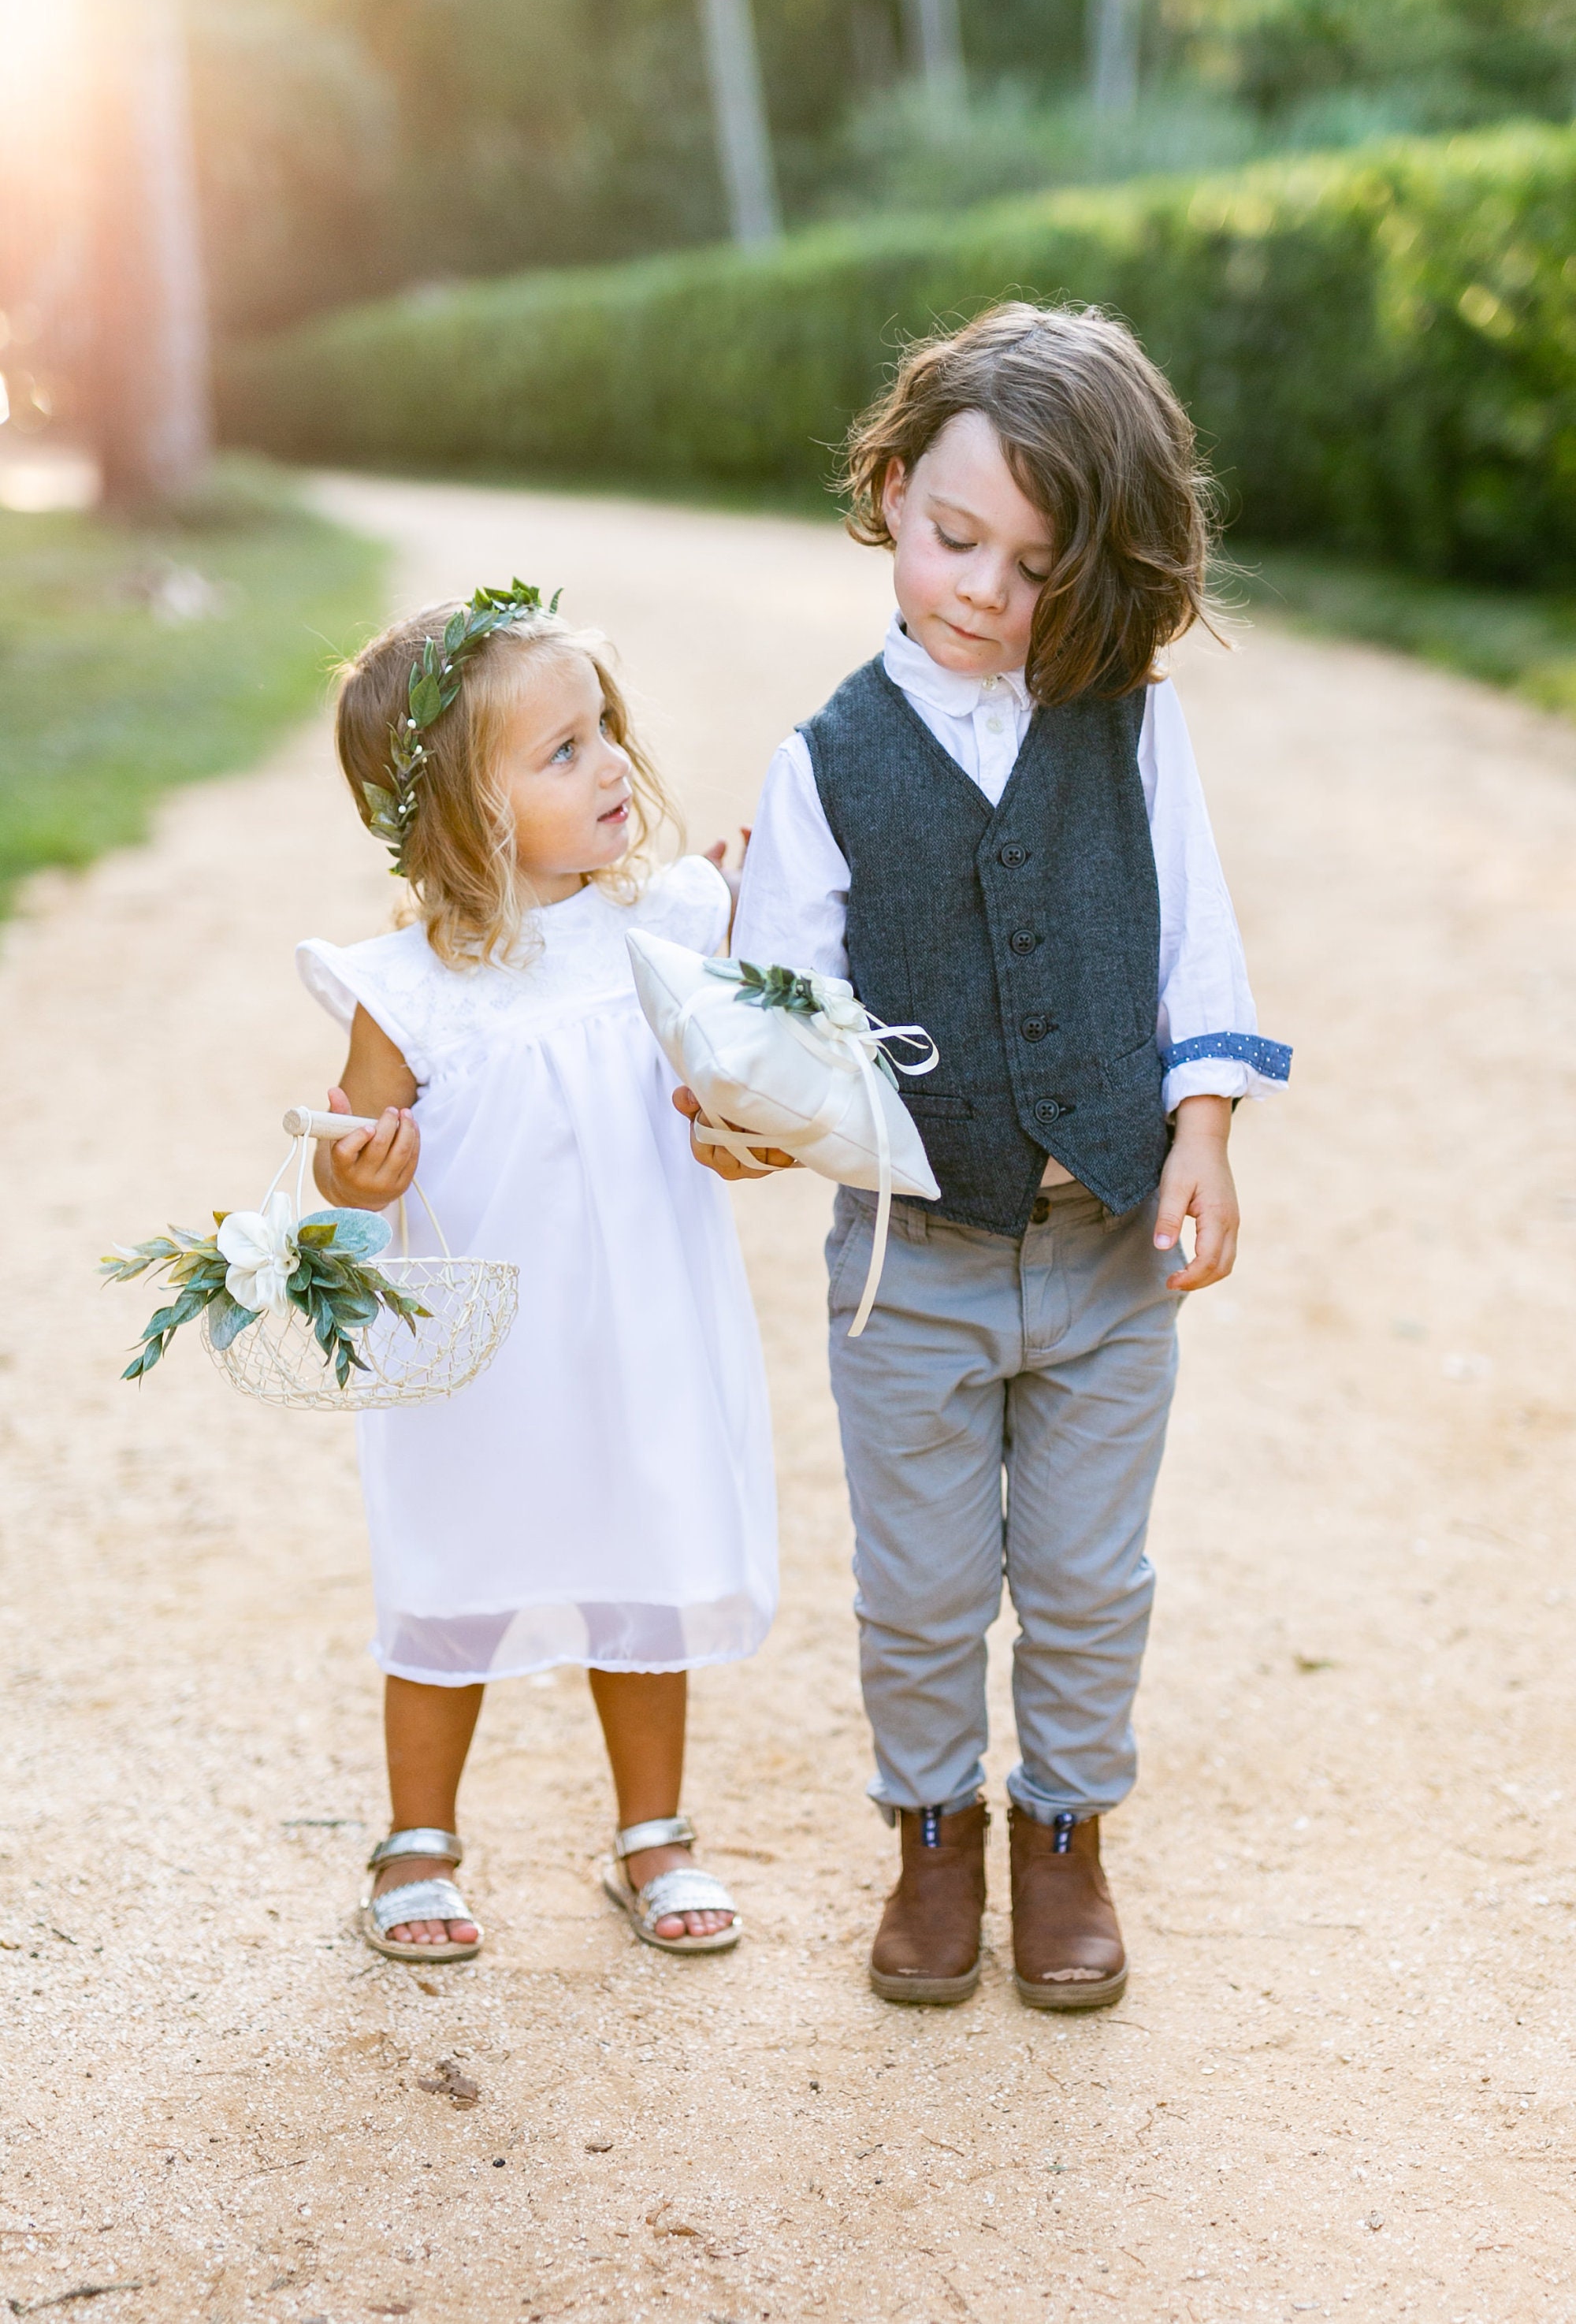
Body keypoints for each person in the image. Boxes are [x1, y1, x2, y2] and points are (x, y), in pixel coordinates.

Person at [681, 303, 1289, 2010]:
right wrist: (741, 1102)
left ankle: (1066, 1831)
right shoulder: (826, 763)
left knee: (1091, 1578)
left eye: (1037, 567)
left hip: (1103, 1253)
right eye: (955, 540)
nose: (984, 595)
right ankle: (932, 1835)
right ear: (887, 493)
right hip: (912, 1265)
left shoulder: (1128, 725)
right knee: (925, 1585)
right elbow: (782, 1014)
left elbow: (1197, 944)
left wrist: (1202, 1127)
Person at [299, 583, 775, 1965]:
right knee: (454, 1571)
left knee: (641, 1557)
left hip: (636, 1326)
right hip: (486, 1356)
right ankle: (419, 1838)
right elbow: (346, 1150)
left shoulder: (671, 923)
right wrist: (359, 1175)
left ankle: (655, 1833)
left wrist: (756, 914)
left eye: (605, 728)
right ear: (461, 814)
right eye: (561, 753)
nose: (613, 761)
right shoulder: (407, 988)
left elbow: (749, 1041)